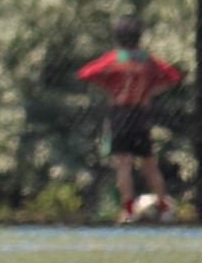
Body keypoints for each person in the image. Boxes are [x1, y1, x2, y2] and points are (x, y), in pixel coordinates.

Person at [77, 15, 182, 224]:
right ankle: (164, 208)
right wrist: (150, 90)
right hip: (141, 114)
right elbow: (173, 76)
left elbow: (85, 73)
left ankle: (127, 211)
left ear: (117, 36)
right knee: (149, 163)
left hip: (120, 113)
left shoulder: (115, 58)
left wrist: (108, 85)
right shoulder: (147, 60)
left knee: (123, 163)